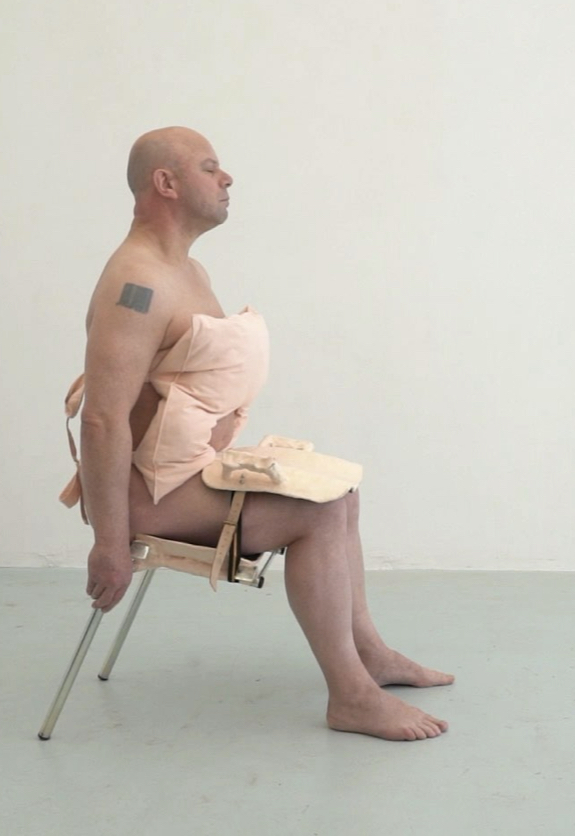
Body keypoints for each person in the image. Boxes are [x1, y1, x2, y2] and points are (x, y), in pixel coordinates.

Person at [79, 127, 452, 742]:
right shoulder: (136, 285)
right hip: (147, 494)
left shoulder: (186, 270)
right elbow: (101, 419)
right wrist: (108, 543)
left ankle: (371, 654)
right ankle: (351, 697)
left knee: (340, 494)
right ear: (166, 183)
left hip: (185, 469)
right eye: (210, 168)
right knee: (317, 514)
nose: (226, 178)